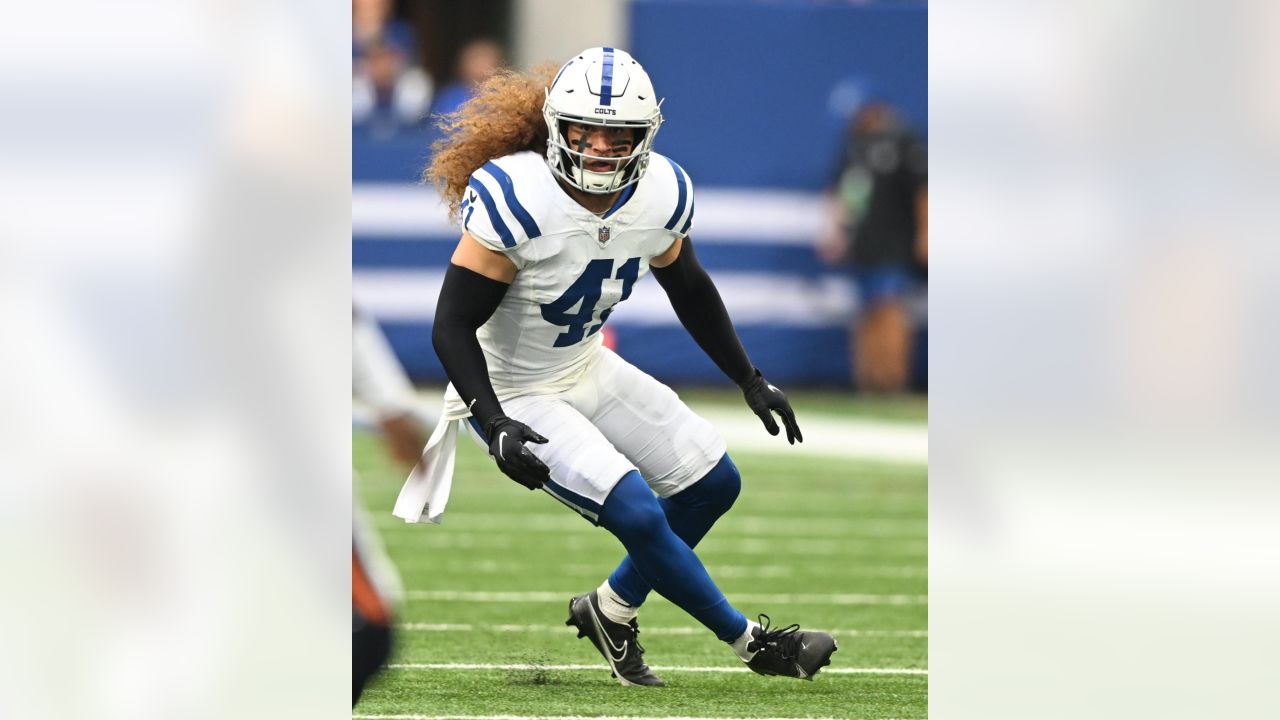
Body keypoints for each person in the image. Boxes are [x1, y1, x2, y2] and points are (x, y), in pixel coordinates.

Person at [401, 47, 837, 686]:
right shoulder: (517, 195)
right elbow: (451, 324)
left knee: (714, 483)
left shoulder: (660, 192)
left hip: (583, 364)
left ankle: (610, 610)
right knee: (637, 510)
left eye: (620, 133)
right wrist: (492, 419)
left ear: (646, 136)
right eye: (587, 129)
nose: (602, 146)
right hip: (512, 389)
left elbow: (688, 286)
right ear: (559, 126)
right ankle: (752, 644)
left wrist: (749, 377)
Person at [817, 101, 927, 393]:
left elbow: (922, 191)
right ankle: (869, 383)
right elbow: (845, 194)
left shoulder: (905, 141)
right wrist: (836, 233)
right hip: (863, 244)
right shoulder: (854, 146)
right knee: (866, 312)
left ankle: (892, 381)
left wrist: (926, 233)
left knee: (889, 309)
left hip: (894, 242)